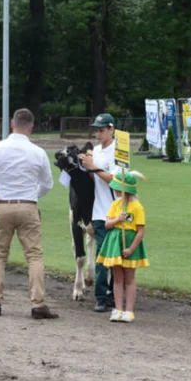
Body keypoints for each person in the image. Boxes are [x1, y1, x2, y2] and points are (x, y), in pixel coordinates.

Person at [0, 108, 57, 319]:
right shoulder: (38, 152)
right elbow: (47, 184)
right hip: (28, 204)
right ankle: (38, 303)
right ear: (30, 128)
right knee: (34, 255)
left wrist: (1, 182)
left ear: (12, 124)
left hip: (3, 204)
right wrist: (32, 194)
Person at [96, 171, 148, 322]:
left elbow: (140, 231)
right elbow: (107, 224)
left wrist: (131, 248)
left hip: (129, 244)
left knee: (129, 278)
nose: (115, 190)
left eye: (118, 187)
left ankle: (129, 311)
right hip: (115, 244)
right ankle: (118, 309)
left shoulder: (137, 207)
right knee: (117, 278)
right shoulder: (115, 205)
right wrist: (118, 220)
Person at [79, 113, 118, 312]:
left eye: (102, 130)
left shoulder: (119, 150)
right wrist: (86, 167)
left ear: (112, 129)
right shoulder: (95, 150)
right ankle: (102, 296)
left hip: (116, 209)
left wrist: (93, 167)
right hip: (99, 210)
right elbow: (96, 181)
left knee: (116, 257)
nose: (98, 134)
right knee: (103, 256)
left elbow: (116, 181)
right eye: (97, 130)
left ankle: (112, 293)